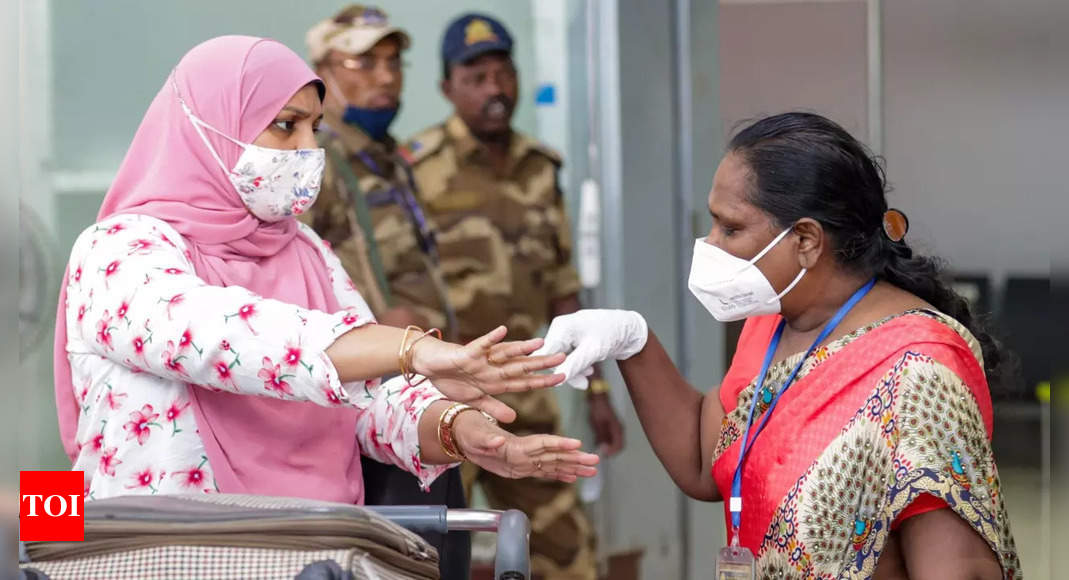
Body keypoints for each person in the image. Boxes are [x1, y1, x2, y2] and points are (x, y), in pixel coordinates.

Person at [53, 36, 600, 509]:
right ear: (210, 127)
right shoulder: (117, 247)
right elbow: (219, 336)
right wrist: (411, 349)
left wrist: (461, 431)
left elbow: (363, 402)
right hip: (159, 552)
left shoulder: (306, 250)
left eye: (315, 128)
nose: (308, 150)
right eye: (286, 127)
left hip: (319, 545)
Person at [537, 113, 1020, 578]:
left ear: (807, 240)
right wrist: (633, 342)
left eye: (730, 228)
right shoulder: (774, 322)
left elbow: (962, 570)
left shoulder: (919, 371)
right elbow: (708, 462)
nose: (710, 244)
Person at [402, 13, 622, 580]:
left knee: (568, 556)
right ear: (447, 87)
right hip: (439, 402)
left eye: (504, 73)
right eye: (476, 77)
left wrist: (596, 388)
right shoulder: (414, 171)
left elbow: (564, 286)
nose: (495, 89)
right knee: (424, 557)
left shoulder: (540, 168)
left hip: (528, 400)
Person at [302, 7, 469, 577]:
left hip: (418, 392)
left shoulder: (385, 158)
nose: (386, 76)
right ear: (322, 72)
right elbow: (289, 283)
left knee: (444, 549)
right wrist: (378, 328)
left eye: (394, 62)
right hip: (367, 399)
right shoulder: (314, 160)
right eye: (364, 61)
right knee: (403, 555)